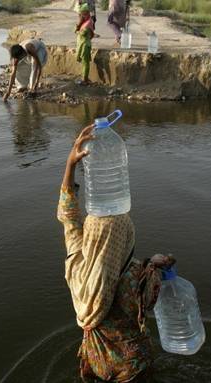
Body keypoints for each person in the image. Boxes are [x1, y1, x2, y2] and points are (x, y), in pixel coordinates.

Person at [57, 125, 175, 382]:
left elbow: (69, 217)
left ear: (90, 236)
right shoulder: (137, 277)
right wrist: (157, 263)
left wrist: (70, 164)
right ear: (125, 239)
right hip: (133, 367)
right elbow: (154, 292)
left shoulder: (77, 263)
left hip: (98, 365)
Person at [75, 3, 98, 85]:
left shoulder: (89, 22)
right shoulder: (84, 21)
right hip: (82, 45)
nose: (82, 16)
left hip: (85, 46)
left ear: (87, 13)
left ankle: (85, 79)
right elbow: (76, 31)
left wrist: (78, 28)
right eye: (81, 14)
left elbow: (83, 33)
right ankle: (84, 77)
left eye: (83, 14)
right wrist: (78, 26)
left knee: (85, 63)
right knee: (84, 63)